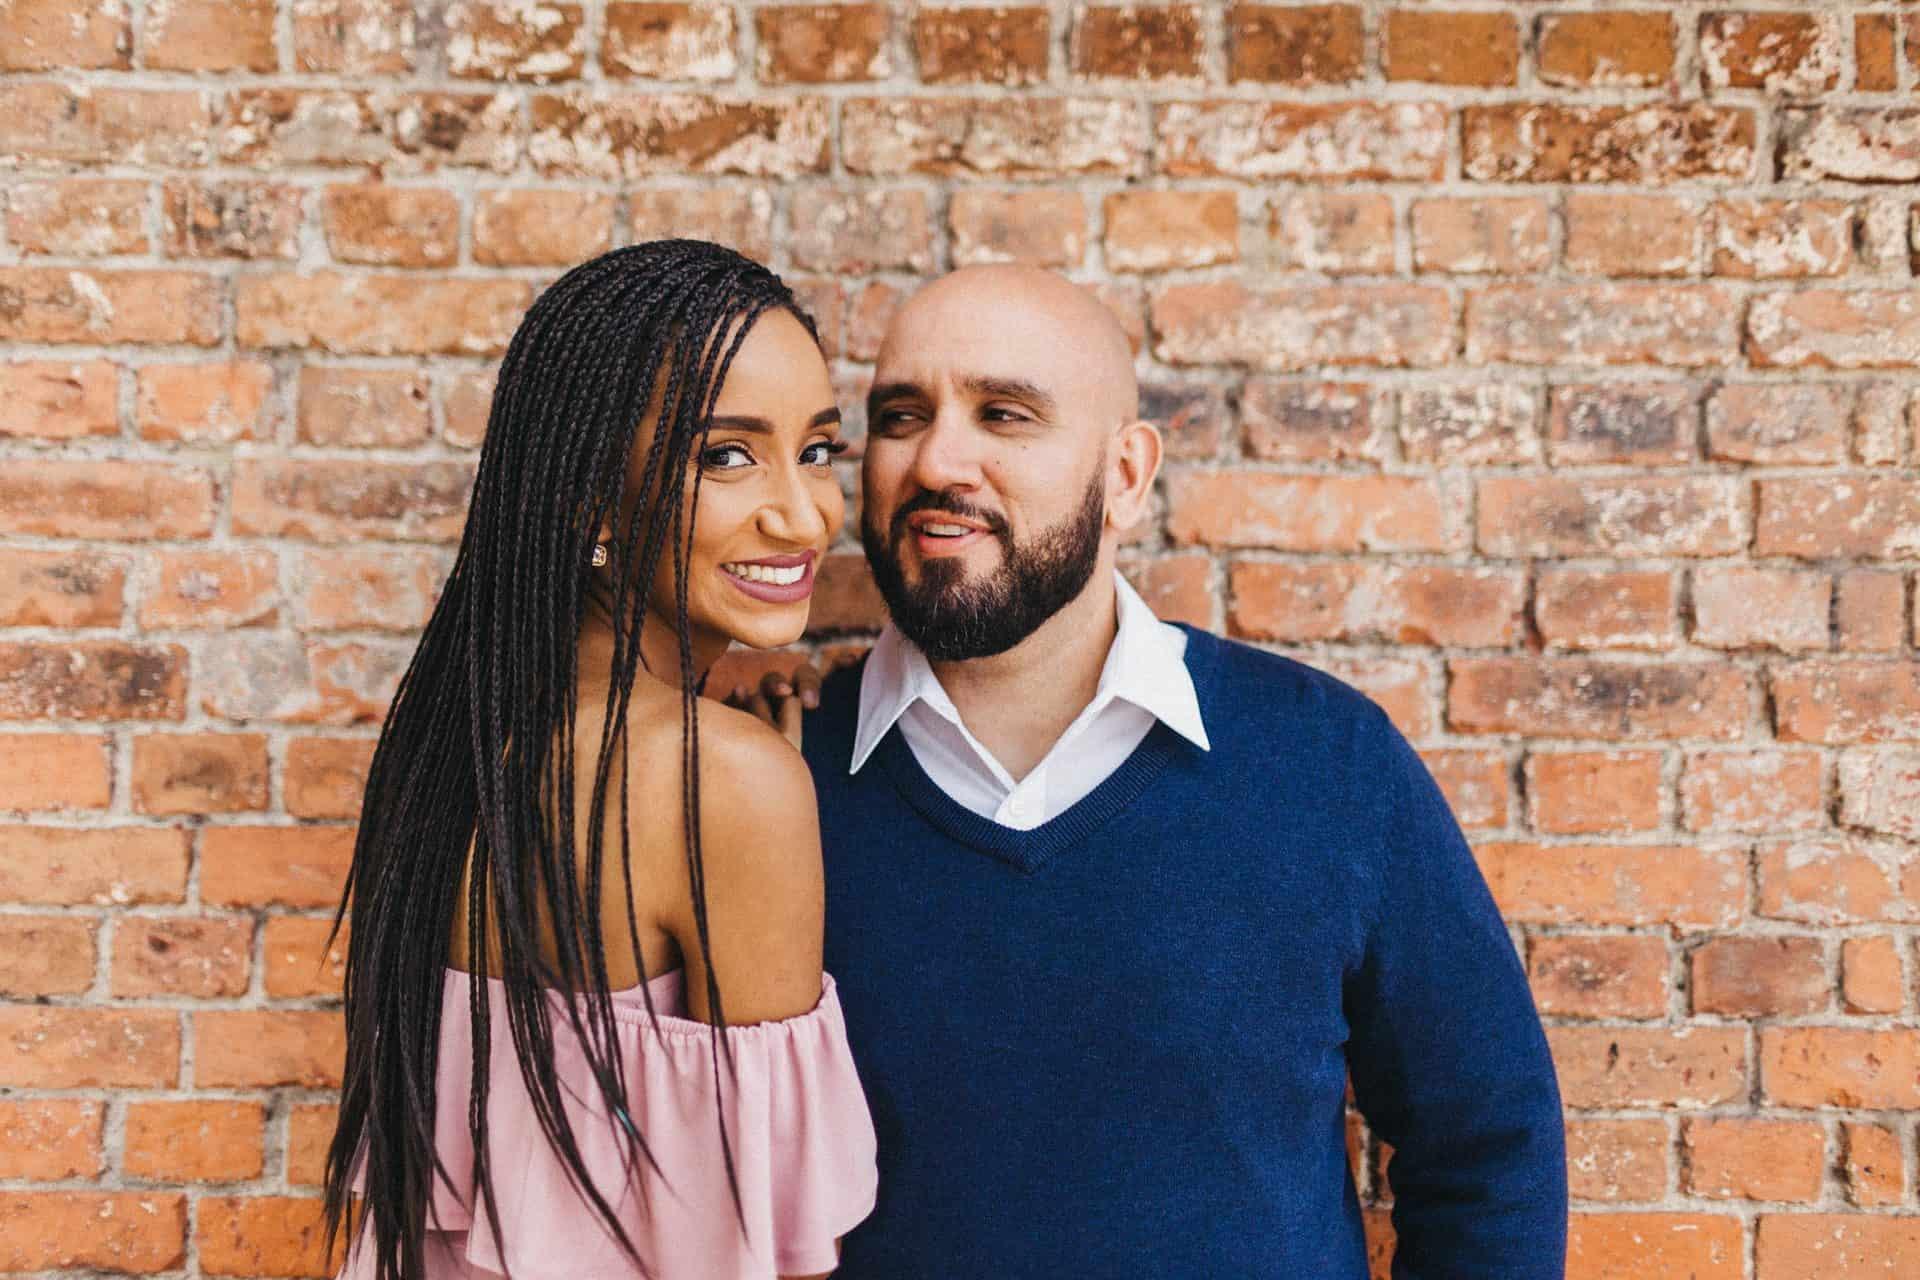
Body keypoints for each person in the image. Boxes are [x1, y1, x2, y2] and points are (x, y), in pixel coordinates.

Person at [744, 263, 1568, 1276]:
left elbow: (1490, 1146)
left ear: (1126, 476)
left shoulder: (1325, 761)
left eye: (1004, 414)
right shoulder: (776, 777)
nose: (936, 458)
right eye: (901, 417)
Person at [320, 240, 878, 1280]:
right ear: (592, 496)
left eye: (816, 450)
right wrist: (740, 762)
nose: (804, 515)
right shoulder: (723, 783)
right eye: (727, 455)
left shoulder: (455, 747)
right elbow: (769, 1252)